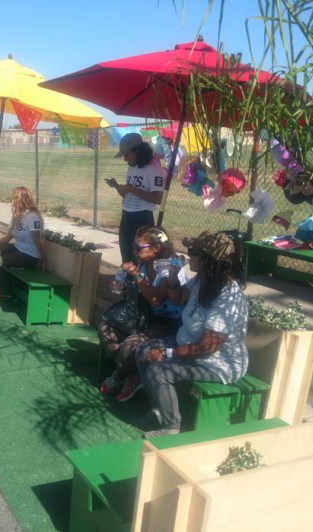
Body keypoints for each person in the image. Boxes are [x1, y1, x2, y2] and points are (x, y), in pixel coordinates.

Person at [133, 230, 248, 439]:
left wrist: (166, 353)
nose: (188, 256)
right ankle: (159, 409)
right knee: (142, 350)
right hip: (190, 345)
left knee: (159, 371)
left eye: (193, 253)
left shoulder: (228, 298)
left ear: (208, 260)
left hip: (215, 363)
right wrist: (173, 278)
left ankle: (171, 428)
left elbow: (207, 347)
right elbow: (178, 300)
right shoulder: (202, 280)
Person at [98, 227, 187, 401]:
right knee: (104, 329)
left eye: (139, 247)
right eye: (134, 247)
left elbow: (156, 300)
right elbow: (141, 294)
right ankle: (134, 373)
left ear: (157, 248)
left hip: (169, 324)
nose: (134, 251)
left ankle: (119, 376)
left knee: (128, 346)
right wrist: (123, 284)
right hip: (146, 319)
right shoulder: (145, 264)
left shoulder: (169, 269)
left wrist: (137, 276)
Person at [106, 133, 166, 263]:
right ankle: (128, 282)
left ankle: (139, 283)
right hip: (126, 217)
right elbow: (127, 196)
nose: (125, 159)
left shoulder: (154, 168)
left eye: (127, 154)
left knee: (141, 260)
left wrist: (132, 189)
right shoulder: (132, 168)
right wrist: (117, 186)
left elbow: (157, 199)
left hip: (142, 218)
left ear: (138, 150)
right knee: (127, 259)